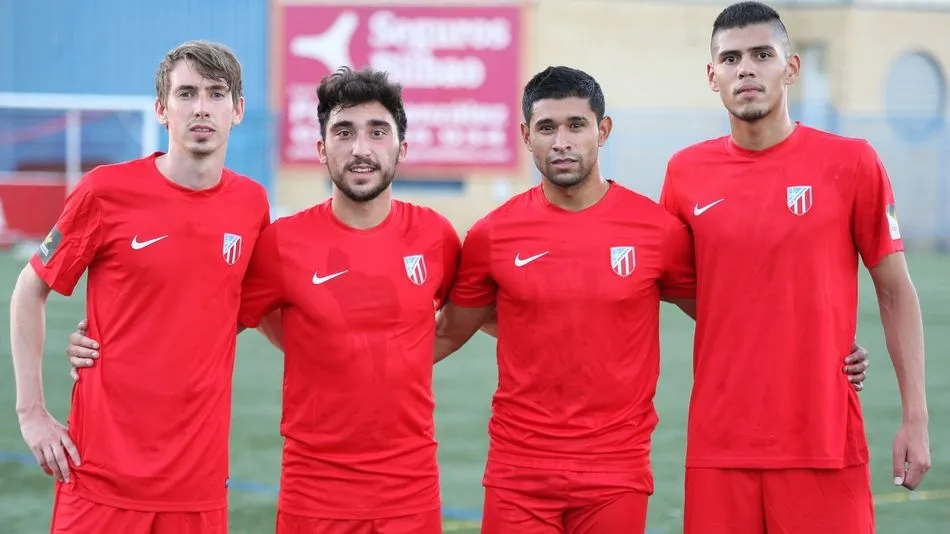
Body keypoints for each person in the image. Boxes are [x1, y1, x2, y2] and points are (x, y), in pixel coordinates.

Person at [433, 66, 870, 534]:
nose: (561, 141)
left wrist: (828, 346)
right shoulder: (491, 236)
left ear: (603, 131)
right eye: (546, 128)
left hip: (616, 473)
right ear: (526, 135)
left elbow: (731, 313)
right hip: (517, 470)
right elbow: (447, 332)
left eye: (576, 125)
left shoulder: (656, 232)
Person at [64, 66, 460, 533]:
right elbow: (210, 315)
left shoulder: (436, 236)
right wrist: (104, 339)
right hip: (313, 492)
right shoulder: (281, 243)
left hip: (411, 493)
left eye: (378, 132)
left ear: (402, 148)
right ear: (320, 148)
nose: (360, 149)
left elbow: (477, 314)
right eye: (344, 132)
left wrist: (400, 354)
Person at [658, 2, 931, 533]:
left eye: (763, 54)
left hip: (825, 441)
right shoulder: (684, 173)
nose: (747, 69)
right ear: (712, 76)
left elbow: (896, 291)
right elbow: (680, 287)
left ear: (792, 67)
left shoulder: (853, 163)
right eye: (731, 58)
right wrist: (781, 326)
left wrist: (915, 418)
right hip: (721, 446)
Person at [10, 41, 270, 534]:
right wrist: (32, 413)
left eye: (216, 94)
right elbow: (29, 289)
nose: (201, 107)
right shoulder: (104, 191)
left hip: (197, 486)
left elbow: (235, 308)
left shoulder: (251, 205)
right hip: (98, 476)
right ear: (161, 109)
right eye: (186, 93)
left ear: (237, 110)